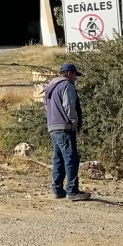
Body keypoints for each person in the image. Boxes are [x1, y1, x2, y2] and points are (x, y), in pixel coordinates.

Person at [44, 63, 90, 202]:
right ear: (69, 73)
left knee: (58, 158)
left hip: (53, 126)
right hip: (65, 127)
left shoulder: (50, 87)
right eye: (75, 74)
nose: (76, 78)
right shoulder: (67, 85)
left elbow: (46, 107)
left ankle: (57, 189)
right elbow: (69, 105)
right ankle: (72, 191)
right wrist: (74, 122)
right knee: (71, 158)